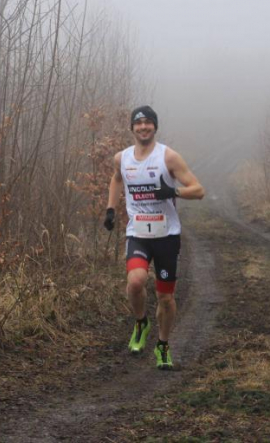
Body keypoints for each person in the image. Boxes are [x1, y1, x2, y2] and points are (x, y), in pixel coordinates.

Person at [103, 105, 205, 370]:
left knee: (165, 298)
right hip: (138, 233)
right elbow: (116, 179)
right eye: (138, 123)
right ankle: (141, 323)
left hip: (166, 235)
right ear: (132, 128)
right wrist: (111, 209)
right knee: (135, 282)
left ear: (155, 127)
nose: (143, 127)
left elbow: (198, 190)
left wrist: (172, 193)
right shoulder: (122, 158)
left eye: (148, 123)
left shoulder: (168, 157)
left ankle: (163, 345)